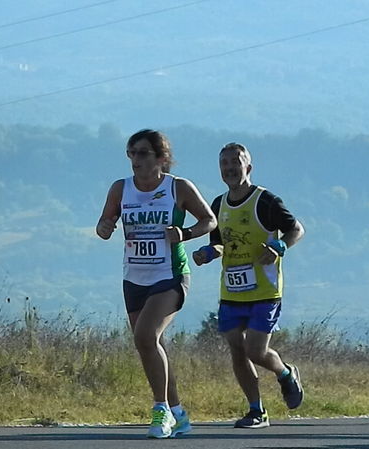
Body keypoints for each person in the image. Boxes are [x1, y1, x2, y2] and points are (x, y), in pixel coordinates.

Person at [97, 129, 217, 438]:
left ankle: (161, 410)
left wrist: (186, 233)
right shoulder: (120, 189)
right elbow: (103, 226)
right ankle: (180, 414)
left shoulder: (178, 188)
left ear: (161, 158)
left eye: (142, 153)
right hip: (134, 277)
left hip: (170, 275)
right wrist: (106, 226)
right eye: (131, 153)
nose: (135, 159)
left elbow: (210, 220)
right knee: (152, 345)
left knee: (145, 337)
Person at [192, 142, 305, 429]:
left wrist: (279, 246)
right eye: (224, 164)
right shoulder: (217, 205)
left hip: (265, 290)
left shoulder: (266, 201)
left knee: (256, 350)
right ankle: (256, 411)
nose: (230, 168)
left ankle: (285, 374)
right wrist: (209, 253)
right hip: (232, 289)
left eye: (235, 162)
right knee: (237, 350)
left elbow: (296, 229)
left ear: (248, 167)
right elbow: (218, 242)